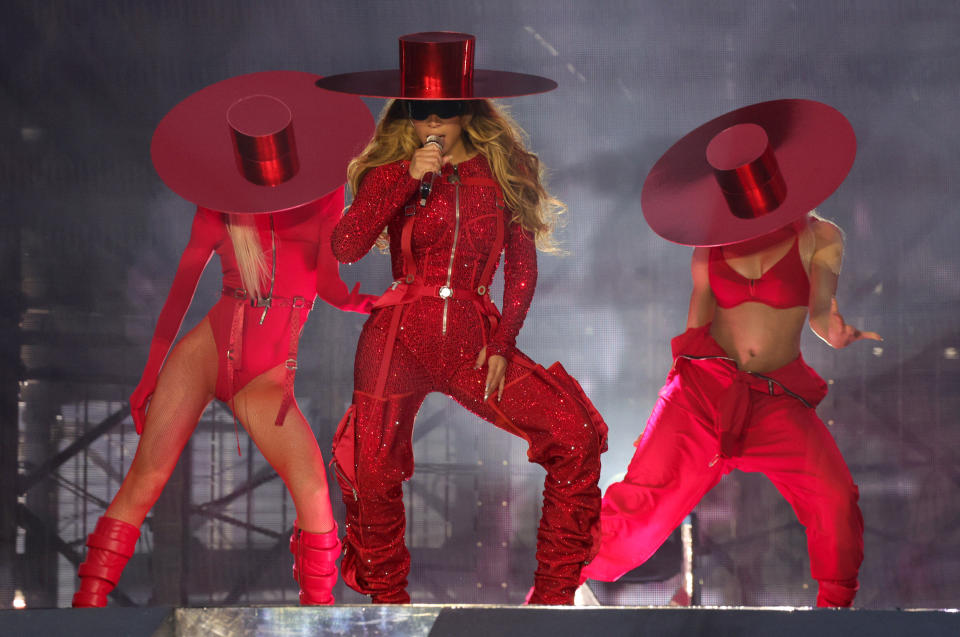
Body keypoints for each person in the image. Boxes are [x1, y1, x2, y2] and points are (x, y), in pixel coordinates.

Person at [315, 32, 608, 605]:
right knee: (371, 470)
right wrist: (405, 175)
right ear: (406, 113)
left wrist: (502, 344)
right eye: (423, 113)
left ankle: (551, 600)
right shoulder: (394, 169)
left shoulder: (506, 169)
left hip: (473, 341)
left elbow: (521, 269)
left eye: (446, 114)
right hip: (396, 335)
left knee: (573, 435)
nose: (435, 125)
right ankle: (390, 610)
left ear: (469, 111)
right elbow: (346, 246)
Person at [71, 71, 375, 607]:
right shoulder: (218, 204)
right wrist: (148, 378)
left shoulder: (327, 194)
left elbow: (329, 286)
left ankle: (318, 621)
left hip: (263, 379)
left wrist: (374, 303)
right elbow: (180, 294)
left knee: (315, 499)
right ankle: (84, 612)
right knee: (144, 480)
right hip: (205, 353)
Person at [581, 100, 879, 607]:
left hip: (775, 397)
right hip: (703, 393)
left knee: (833, 497)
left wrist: (839, 331)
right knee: (638, 514)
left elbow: (820, 315)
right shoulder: (712, 243)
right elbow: (696, 325)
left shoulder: (820, 237)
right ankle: (554, 586)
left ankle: (835, 614)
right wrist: (669, 408)